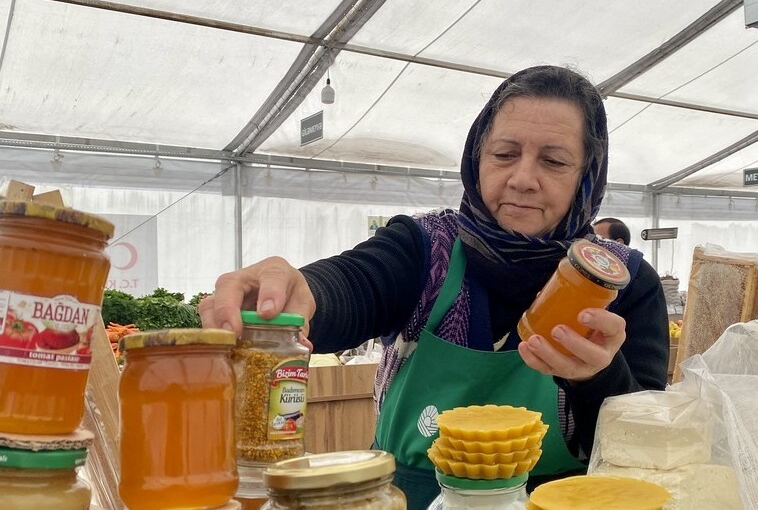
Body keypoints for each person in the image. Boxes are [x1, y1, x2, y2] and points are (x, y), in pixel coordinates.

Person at [199, 65, 669, 510]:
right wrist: (302, 293)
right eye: (504, 154)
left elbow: (646, 446)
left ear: (587, 174)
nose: (523, 179)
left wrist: (598, 379)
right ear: (476, 158)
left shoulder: (619, 282)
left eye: (554, 161)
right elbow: (353, 284)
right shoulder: (425, 249)